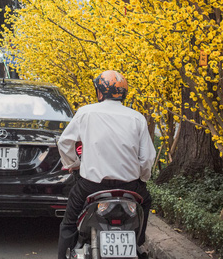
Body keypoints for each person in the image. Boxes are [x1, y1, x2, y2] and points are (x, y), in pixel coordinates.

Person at [56, 70, 155, 259]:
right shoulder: (136, 118)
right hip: (129, 187)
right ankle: (138, 241)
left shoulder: (86, 113)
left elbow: (64, 142)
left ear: (100, 92)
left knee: (68, 224)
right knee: (147, 201)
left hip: (91, 186)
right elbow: (147, 157)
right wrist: (142, 178)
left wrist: (73, 163)